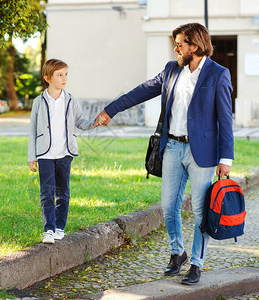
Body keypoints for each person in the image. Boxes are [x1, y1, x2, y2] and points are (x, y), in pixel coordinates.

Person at [94, 23, 234, 285]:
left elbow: (225, 119)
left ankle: (196, 263)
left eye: (180, 44)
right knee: (169, 207)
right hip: (171, 147)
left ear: (195, 46)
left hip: (201, 152)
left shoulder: (218, 74)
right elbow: (141, 90)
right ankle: (177, 252)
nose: (176, 48)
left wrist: (226, 159)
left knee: (202, 212)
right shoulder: (172, 70)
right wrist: (111, 110)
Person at [28, 58, 95, 244]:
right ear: (47, 77)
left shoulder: (71, 100)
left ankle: (59, 227)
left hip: (65, 153)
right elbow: (33, 129)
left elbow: (81, 122)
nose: (64, 78)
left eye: (66, 74)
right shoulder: (38, 102)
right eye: (59, 75)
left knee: (63, 192)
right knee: (46, 192)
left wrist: (95, 122)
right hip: (45, 154)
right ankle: (48, 230)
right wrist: (31, 156)